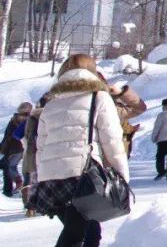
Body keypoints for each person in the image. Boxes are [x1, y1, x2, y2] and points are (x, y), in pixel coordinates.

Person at [34, 54, 129, 247]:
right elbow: (112, 141)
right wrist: (122, 176)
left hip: (52, 180)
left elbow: (40, 147)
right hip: (81, 175)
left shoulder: (51, 103)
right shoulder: (98, 97)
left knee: (85, 230)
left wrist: (41, 177)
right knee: (77, 232)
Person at [19, 95, 49, 217]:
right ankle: (43, 205)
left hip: (31, 151)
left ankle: (30, 208)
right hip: (47, 150)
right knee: (44, 179)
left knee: (30, 179)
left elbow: (18, 134)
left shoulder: (31, 117)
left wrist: (26, 144)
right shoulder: (51, 115)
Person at [105, 78, 146, 158]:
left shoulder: (114, 108)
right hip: (112, 157)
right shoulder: (113, 109)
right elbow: (140, 108)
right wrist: (120, 93)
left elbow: (140, 108)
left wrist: (121, 93)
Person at [1, 102, 31, 197]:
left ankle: (18, 183)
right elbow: (8, 135)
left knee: (10, 166)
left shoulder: (21, 119)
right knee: (7, 166)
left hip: (16, 148)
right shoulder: (19, 119)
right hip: (15, 147)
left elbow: (10, 135)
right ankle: (12, 187)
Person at [151, 98, 167, 181]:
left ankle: (161, 171)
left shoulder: (162, 115)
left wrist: (154, 138)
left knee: (160, 156)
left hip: (162, 140)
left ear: (164, 105)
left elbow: (157, 127)